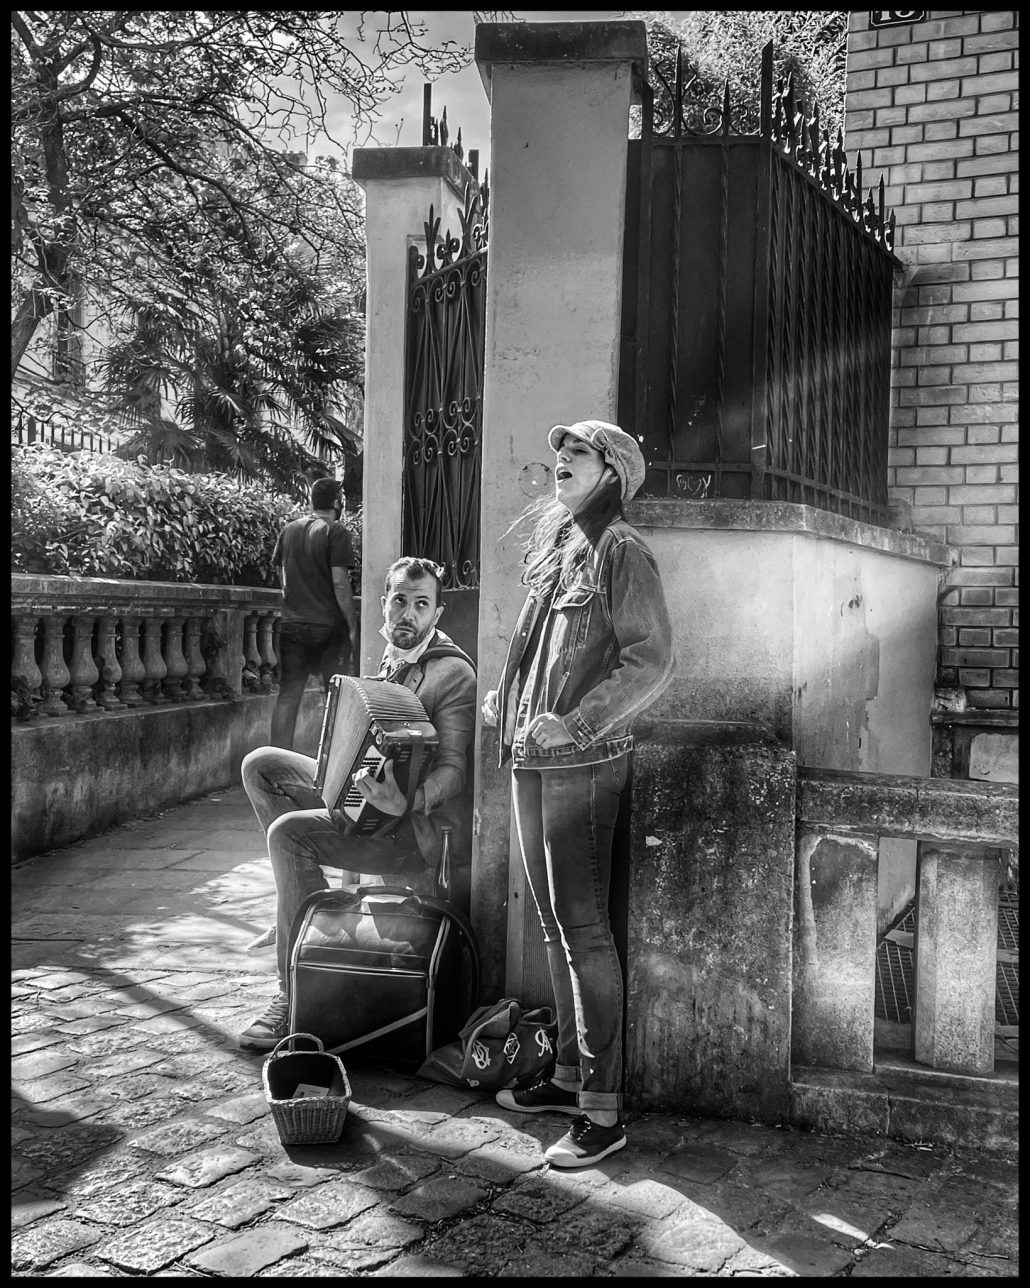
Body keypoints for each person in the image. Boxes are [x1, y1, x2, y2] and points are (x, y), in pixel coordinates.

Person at [482, 419, 675, 1170]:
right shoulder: (560, 548)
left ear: (613, 470)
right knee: (557, 928)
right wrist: (508, 699)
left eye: (578, 455)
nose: (559, 462)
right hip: (532, 761)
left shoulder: (622, 547)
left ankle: (602, 1110)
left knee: (586, 930)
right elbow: (536, 654)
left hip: (585, 764)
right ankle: (566, 1076)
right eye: (557, 452)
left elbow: (652, 660)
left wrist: (577, 722)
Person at [238, 556, 477, 1051]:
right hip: (363, 802)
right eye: (398, 601)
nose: (407, 613)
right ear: (384, 603)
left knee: (287, 835)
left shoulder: (452, 674)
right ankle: (298, 901)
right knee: (261, 764)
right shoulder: (390, 660)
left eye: (420, 604)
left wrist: (406, 802)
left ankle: (289, 995)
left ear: (438, 613)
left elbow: (456, 771)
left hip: (411, 835)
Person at [269, 476, 359, 751]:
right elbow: (340, 583)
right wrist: (351, 624)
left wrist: (295, 601)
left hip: (292, 625)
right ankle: (330, 760)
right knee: (333, 697)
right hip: (329, 627)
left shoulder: (289, 530)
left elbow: (281, 576)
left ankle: (277, 760)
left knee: (288, 697)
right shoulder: (336, 531)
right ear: (336, 502)